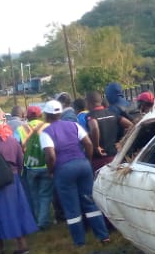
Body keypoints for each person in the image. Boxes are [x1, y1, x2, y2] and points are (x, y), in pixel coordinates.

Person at [39, 100, 109, 245]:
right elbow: (88, 144)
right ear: (59, 113)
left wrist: (51, 171)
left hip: (63, 169)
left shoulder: (46, 132)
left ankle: (80, 242)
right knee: (90, 201)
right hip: (82, 165)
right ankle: (103, 236)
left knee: (72, 208)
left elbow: (51, 156)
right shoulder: (74, 125)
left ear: (46, 115)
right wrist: (87, 161)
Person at [0, 114, 38, 254]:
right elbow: (20, 160)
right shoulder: (12, 140)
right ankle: (22, 245)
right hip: (14, 180)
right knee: (16, 210)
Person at [21, 107, 54, 230]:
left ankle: (37, 219)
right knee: (45, 195)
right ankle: (43, 222)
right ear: (40, 115)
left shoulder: (21, 128)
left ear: (27, 116)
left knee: (34, 195)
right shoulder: (48, 126)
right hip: (46, 165)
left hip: (30, 166)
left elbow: (18, 146)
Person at [86, 91, 133, 172]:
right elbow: (131, 125)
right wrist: (123, 142)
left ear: (89, 102)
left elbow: (94, 126)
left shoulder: (91, 115)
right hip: (115, 157)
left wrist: (96, 146)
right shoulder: (112, 113)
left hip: (99, 159)